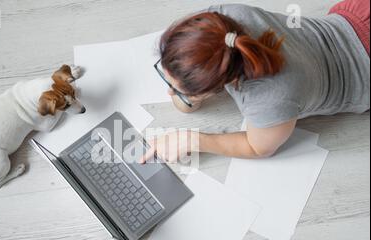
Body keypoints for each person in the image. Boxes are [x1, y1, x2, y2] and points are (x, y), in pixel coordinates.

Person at [140, 0, 369, 163]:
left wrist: (191, 140)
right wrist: (186, 88)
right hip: (358, 14)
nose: (169, 93)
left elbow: (258, 148)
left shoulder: (272, 98)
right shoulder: (220, 19)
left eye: (174, 89)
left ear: (221, 85)